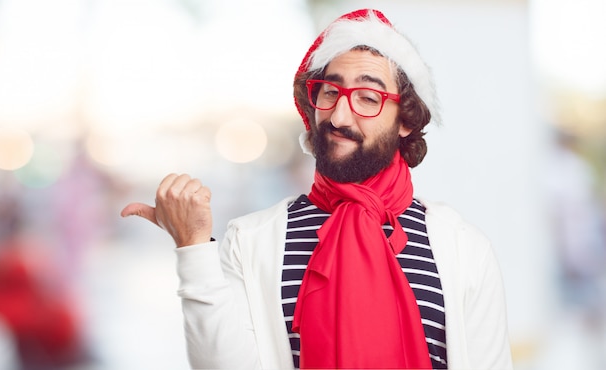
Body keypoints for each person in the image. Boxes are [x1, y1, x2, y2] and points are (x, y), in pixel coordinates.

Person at [121, 8, 513, 369]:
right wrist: (192, 248)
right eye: (330, 91)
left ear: (406, 119)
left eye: (367, 97)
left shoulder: (461, 247)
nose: (340, 115)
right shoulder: (255, 239)